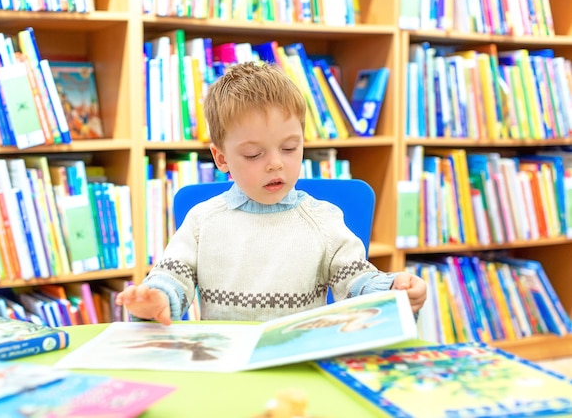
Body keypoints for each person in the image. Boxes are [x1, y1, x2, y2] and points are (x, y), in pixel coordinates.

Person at [115, 62, 426, 325]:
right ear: (222, 159)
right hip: (228, 368)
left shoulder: (323, 220)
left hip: (299, 364)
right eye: (253, 154)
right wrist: (155, 299)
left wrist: (392, 289)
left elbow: (357, 282)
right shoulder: (202, 221)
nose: (276, 163)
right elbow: (173, 277)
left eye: (290, 148)